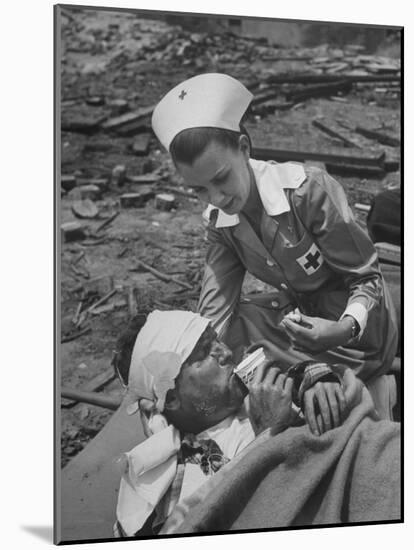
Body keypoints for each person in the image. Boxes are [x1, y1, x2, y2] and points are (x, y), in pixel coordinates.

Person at [151, 73, 399, 419]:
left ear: (244, 148)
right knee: (233, 326)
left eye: (221, 178)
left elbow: (367, 279)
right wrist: (176, 373)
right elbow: (216, 312)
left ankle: (343, 380)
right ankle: (308, 375)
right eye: (200, 190)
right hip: (304, 326)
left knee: (258, 357)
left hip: (360, 333)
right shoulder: (221, 225)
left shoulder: (308, 191)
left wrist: (342, 328)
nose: (217, 198)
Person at [113, 310, 365, 537]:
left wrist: (319, 379)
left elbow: (355, 415)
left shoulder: (263, 392)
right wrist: (267, 439)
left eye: (217, 340)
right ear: (172, 399)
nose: (225, 352)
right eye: (204, 353)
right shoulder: (164, 487)